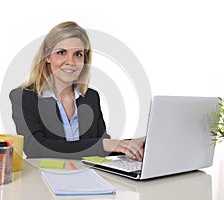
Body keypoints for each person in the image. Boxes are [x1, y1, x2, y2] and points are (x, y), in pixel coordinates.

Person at [10, 21, 145, 160]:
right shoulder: (24, 97)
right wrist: (104, 144)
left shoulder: (91, 97)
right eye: (62, 52)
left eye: (78, 54)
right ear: (47, 56)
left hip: (87, 177)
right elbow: (35, 148)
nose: (71, 62)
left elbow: (101, 147)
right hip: (45, 177)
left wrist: (132, 145)